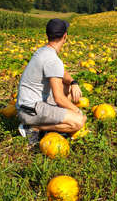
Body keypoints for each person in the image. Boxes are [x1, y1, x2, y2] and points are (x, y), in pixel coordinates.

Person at [16, 18, 86, 146]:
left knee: (68, 88)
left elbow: (61, 73)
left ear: (48, 35)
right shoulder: (52, 60)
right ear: (65, 36)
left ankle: (46, 122)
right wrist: (77, 111)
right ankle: (33, 127)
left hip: (27, 105)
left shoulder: (43, 51)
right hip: (30, 110)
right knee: (78, 122)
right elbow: (59, 98)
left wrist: (73, 82)